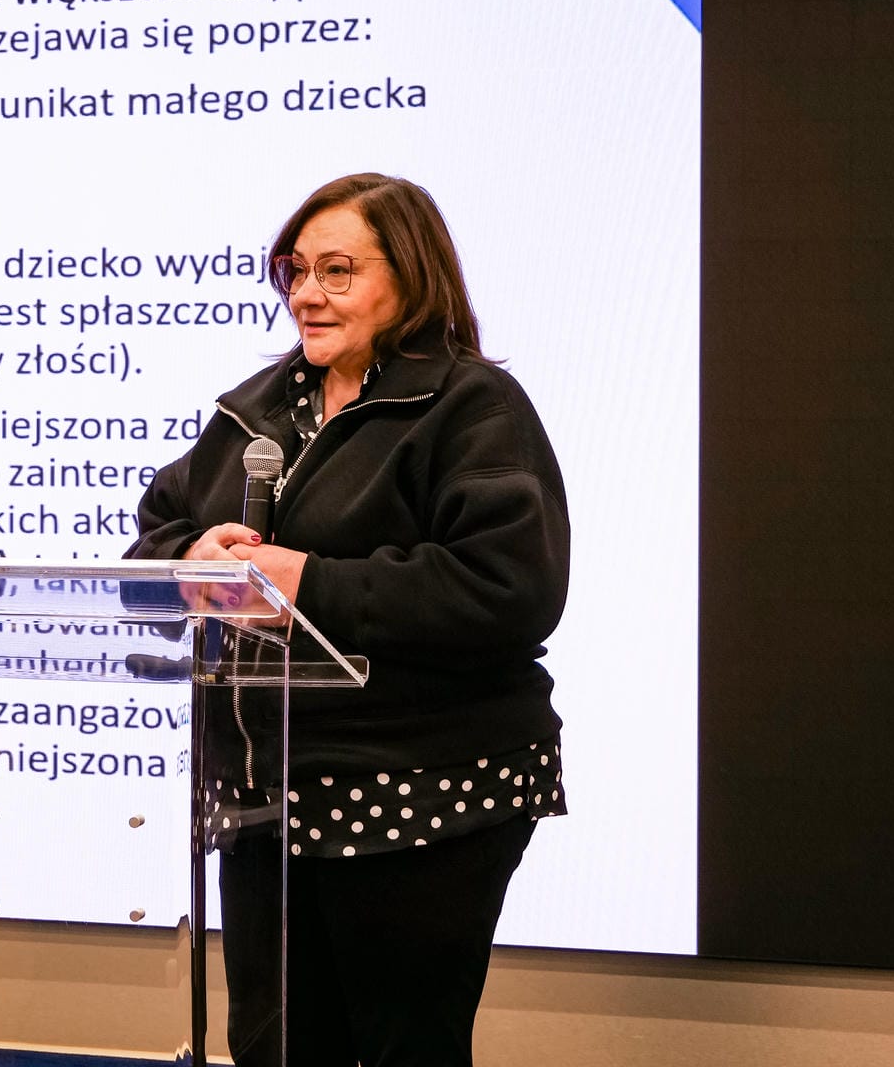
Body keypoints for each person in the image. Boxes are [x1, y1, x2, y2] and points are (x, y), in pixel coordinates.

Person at [127, 173, 570, 1067]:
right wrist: (192, 559)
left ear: (410, 277)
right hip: (264, 793)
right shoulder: (255, 411)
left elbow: (509, 587)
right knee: (276, 1050)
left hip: (419, 788)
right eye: (296, 270)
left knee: (403, 1050)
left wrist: (310, 582)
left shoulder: (468, 407)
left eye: (338, 271)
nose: (306, 294)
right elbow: (152, 545)